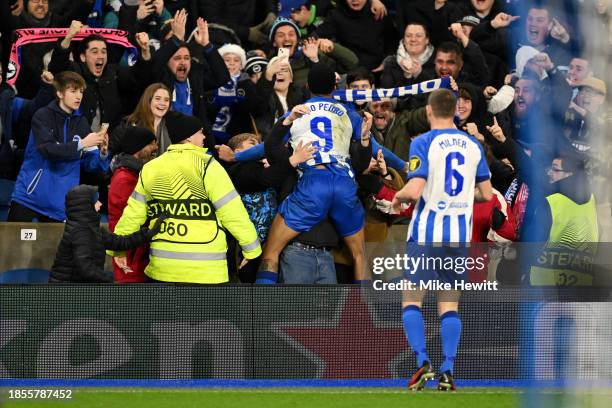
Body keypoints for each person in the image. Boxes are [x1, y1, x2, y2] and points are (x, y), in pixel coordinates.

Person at [391, 88, 493, 391]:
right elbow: (486, 194)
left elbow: (414, 189)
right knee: (449, 307)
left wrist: (397, 198)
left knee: (412, 300)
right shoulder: (473, 145)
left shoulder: (422, 142)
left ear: (429, 112)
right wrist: (460, 196)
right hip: (458, 238)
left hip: (426, 234)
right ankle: (448, 371)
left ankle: (423, 362)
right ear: (457, 112)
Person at [255, 63, 373, 284]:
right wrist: (365, 141)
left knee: (271, 252)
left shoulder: (297, 111)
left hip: (314, 182)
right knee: (360, 255)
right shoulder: (350, 114)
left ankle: (262, 314)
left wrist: (285, 123)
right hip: (344, 183)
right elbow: (361, 164)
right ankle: (366, 317)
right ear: (335, 86)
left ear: (307, 85)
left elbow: (270, 150)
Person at [111, 111, 261, 283]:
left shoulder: (151, 168)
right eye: (200, 132)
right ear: (189, 137)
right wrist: (252, 248)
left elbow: (133, 214)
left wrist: (119, 248)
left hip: (163, 269)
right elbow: (232, 212)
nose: (204, 136)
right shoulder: (207, 165)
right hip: (206, 271)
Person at [9, 71, 110, 222]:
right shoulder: (42, 116)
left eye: (81, 91)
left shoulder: (82, 124)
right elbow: (48, 150)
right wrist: (81, 144)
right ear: (60, 93)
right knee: (14, 246)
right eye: (73, 91)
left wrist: (102, 153)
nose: (78, 96)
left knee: (50, 247)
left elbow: (92, 164)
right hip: (29, 199)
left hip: (59, 206)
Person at [50, 184, 162, 283]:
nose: (100, 203)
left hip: (79, 289)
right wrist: (110, 278)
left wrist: (147, 233)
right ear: (86, 205)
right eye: (96, 201)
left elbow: (120, 242)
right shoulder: (81, 232)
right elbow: (85, 268)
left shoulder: (92, 228)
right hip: (65, 292)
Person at [108, 126, 158, 283]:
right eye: (151, 144)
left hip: (139, 252)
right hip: (130, 256)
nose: (156, 148)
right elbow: (128, 218)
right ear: (138, 147)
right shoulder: (125, 178)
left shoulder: (136, 173)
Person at [109, 82, 171, 154]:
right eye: (157, 99)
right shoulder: (128, 126)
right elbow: (111, 153)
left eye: (166, 100)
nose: (162, 103)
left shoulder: (173, 126)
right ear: (148, 101)